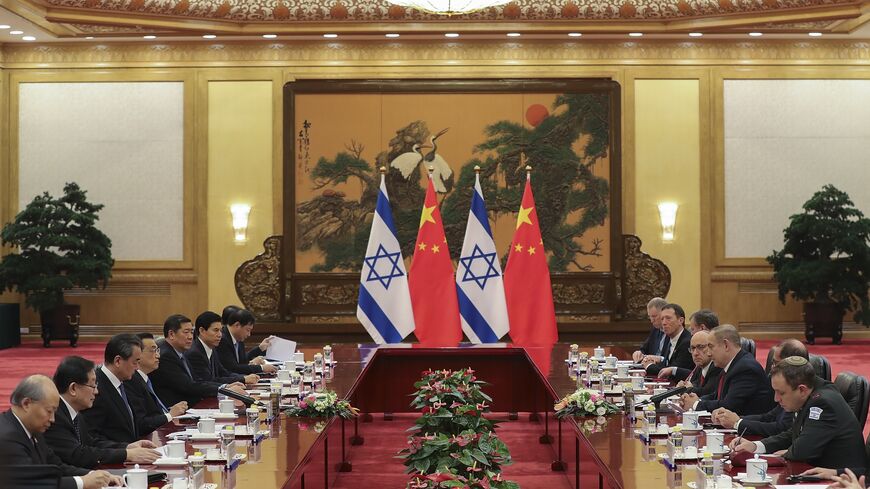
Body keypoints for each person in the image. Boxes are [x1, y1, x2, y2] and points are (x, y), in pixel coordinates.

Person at [730, 357, 866, 475]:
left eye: (781, 393)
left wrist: (784, 453)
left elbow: (802, 451)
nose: (776, 399)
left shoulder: (822, 403)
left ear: (801, 389)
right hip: (815, 473)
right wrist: (756, 446)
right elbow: (794, 433)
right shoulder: (811, 392)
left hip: (841, 480)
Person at [0, 375, 121, 489]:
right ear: (26, 403)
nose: (52, 419)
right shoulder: (7, 438)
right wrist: (83, 482)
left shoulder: (32, 428)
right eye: (49, 411)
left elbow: (57, 467)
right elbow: (31, 484)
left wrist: (96, 475)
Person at [44, 356, 160, 468]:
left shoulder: (75, 413)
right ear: (73, 388)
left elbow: (92, 444)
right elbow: (77, 454)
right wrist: (126, 455)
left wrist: (127, 447)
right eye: (93, 385)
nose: (97, 391)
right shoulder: (55, 415)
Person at [711, 338, 807, 436]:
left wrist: (737, 423)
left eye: (776, 363)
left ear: (793, 365)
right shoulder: (786, 387)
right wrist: (736, 419)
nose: (772, 368)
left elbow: (781, 428)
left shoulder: (799, 393)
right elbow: (769, 417)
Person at [150, 314, 248, 406]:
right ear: (171, 334)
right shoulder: (166, 355)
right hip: (176, 411)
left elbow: (198, 380)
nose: (190, 337)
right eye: (186, 332)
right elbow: (188, 386)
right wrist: (224, 388)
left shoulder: (180, 352)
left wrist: (226, 387)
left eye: (191, 332)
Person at [679, 324, 774, 415]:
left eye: (711, 347)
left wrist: (696, 404)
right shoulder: (731, 365)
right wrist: (697, 400)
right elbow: (716, 396)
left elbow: (729, 406)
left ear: (726, 345)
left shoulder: (745, 368)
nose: (709, 353)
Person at [82, 334, 145, 444]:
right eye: (135, 362)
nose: (137, 368)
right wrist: (126, 449)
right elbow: (92, 437)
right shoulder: (95, 388)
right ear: (118, 361)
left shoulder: (123, 381)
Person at [124, 333, 188, 436]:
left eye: (157, 350)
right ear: (137, 354)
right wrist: (170, 415)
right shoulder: (131, 382)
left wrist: (170, 412)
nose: (158, 355)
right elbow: (142, 423)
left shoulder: (145, 378)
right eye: (153, 350)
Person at [186, 311, 259, 385]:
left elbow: (224, 373)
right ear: (202, 330)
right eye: (216, 330)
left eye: (220, 330)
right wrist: (242, 379)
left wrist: (245, 377)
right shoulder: (195, 353)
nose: (220, 335)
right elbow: (208, 381)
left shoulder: (211, 347)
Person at [216, 307, 276, 375]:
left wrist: (260, 348)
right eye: (248, 330)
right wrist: (261, 368)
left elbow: (242, 361)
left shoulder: (238, 338)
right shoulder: (222, 339)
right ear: (237, 325)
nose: (249, 334)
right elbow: (233, 368)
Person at [661, 331, 723, 395]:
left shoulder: (717, 366)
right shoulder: (699, 366)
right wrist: (683, 386)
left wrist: (686, 388)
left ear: (711, 347)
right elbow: (694, 383)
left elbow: (707, 392)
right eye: (693, 348)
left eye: (701, 347)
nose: (695, 353)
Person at [643, 303, 694, 376]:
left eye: (668, 318)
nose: (663, 323)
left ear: (680, 320)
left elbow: (673, 372)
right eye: (662, 319)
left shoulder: (687, 342)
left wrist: (649, 366)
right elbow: (666, 365)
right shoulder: (671, 338)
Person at [632, 297, 668, 363]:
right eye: (650, 316)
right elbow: (644, 349)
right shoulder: (655, 330)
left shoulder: (673, 332)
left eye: (654, 316)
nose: (651, 320)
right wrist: (638, 353)